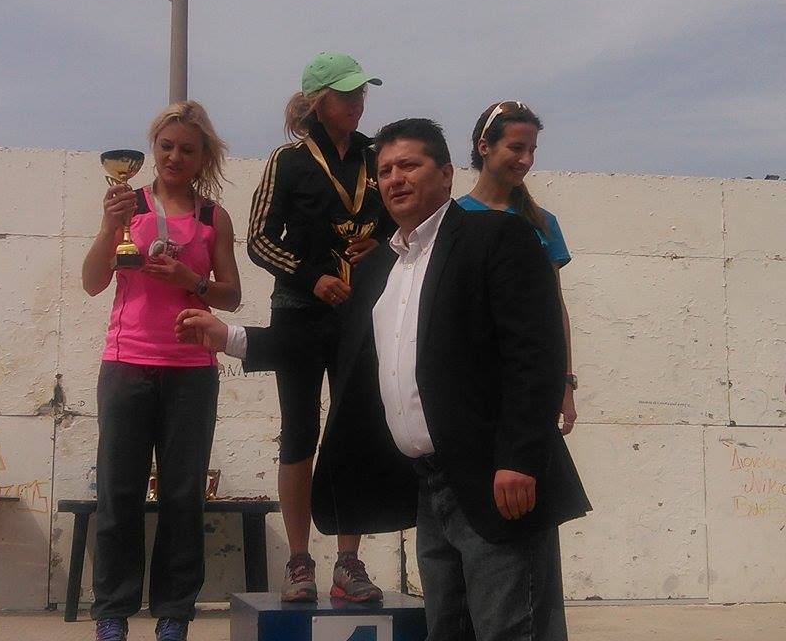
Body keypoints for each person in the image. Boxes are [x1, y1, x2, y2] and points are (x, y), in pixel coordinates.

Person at [179, 118, 590, 640]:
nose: (396, 179)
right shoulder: (380, 269)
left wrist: (520, 459)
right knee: (448, 631)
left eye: (409, 165)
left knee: (511, 631)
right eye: (386, 170)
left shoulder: (497, 237)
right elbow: (327, 347)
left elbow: (536, 353)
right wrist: (232, 337)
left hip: (498, 481)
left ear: (446, 174)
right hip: (430, 488)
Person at [82, 101, 241, 641]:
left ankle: (174, 614)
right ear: (152, 148)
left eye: (187, 150)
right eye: (166, 146)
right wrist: (109, 227)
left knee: (182, 495)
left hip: (191, 370)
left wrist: (189, 280)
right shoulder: (128, 205)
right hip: (126, 363)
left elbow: (232, 296)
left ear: (204, 157)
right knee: (119, 493)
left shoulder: (213, 217)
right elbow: (92, 282)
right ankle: (112, 614)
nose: (175, 157)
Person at [245, 51, 392, 603]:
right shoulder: (287, 161)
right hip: (300, 312)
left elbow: (402, 224)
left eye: (361, 93)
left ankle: (348, 562)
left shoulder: (378, 157)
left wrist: (379, 244)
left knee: (355, 431)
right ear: (317, 101)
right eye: (346, 93)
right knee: (299, 432)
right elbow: (259, 239)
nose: (357, 103)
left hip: (362, 311)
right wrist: (312, 278)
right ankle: (300, 561)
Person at [457, 101, 578, 435]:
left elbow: (554, 307)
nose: (526, 159)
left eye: (532, 150)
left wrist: (565, 382)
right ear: (484, 146)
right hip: (467, 382)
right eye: (516, 148)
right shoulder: (453, 220)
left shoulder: (543, 223)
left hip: (529, 381)